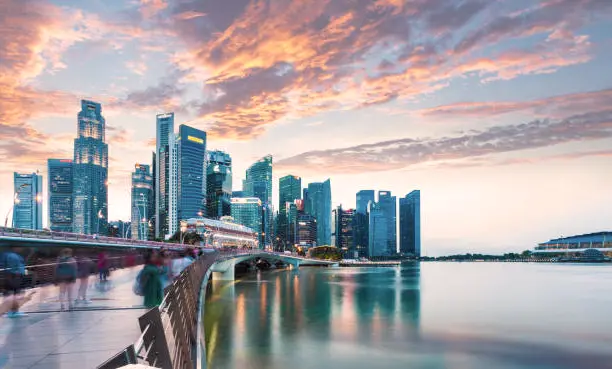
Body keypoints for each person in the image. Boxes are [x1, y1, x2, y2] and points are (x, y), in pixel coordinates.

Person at [2, 247, 27, 317]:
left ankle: (9, 311)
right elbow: (15, 267)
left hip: (8, 276)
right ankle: (14, 311)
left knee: (9, 293)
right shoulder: (15, 256)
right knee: (17, 294)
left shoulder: (4, 254)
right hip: (15, 276)